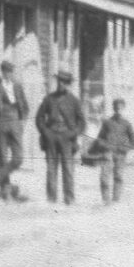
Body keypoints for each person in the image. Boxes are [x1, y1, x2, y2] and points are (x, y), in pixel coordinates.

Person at [0, 61, 31, 201]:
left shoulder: (17, 86)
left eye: (11, 72)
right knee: (2, 158)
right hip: (0, 123)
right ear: (2, 72)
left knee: (18, 158)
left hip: (15, 123)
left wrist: (22, 123)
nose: (9, 74)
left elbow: (25, 107)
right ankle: (6, 191)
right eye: (6, 72)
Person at [35, 69, 86, 206]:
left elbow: (82, 122)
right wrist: (45, 131)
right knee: (51, 168)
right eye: (59, 81)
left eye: (64, 82)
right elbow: (39, 117)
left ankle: (69, 198)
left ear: (68, 84)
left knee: (68, 168)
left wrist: (73, 133)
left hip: (67, 137)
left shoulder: (74, 101)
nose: (61, 84)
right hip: (51, 135)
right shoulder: (49, 99)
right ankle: (51, 199)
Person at [94, 98, 134, 204]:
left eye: (120, 108)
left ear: (123, 108)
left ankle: (116, 200)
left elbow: (133, 141)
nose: (118, 110)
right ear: (113, 108)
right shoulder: (107, 122)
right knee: (104, 176)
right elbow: (99, 139)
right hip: (108, 153)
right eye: (116, 108)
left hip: (120, 154)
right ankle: (106, 200)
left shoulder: (127, 124)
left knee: (118, 176)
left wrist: (124, 149)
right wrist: (105, 146)